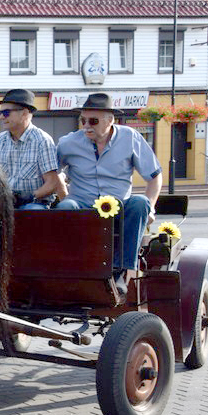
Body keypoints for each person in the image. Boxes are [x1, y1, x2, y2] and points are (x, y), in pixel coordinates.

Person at [56, 93, 162, 293]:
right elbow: (52, 173)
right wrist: (63, 192)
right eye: (83, 120)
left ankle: (120, 271)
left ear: (110, 120)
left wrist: (151, 209)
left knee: (140, 202)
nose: (86, 125)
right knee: (64, 207)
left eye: (93, 121)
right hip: (83, 204)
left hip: (119, 206)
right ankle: (72, 270)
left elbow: (155, 176)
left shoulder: (130, 138)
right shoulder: (67, 143)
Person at [0, 89, 66, 208]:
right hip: (3, 204)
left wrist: (30, 196)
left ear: (24, 113)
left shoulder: (42, 141)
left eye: (6, 112)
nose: (2, 117)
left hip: (34, 203)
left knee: (31, 210)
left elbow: (52, 182)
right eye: (0, 113)